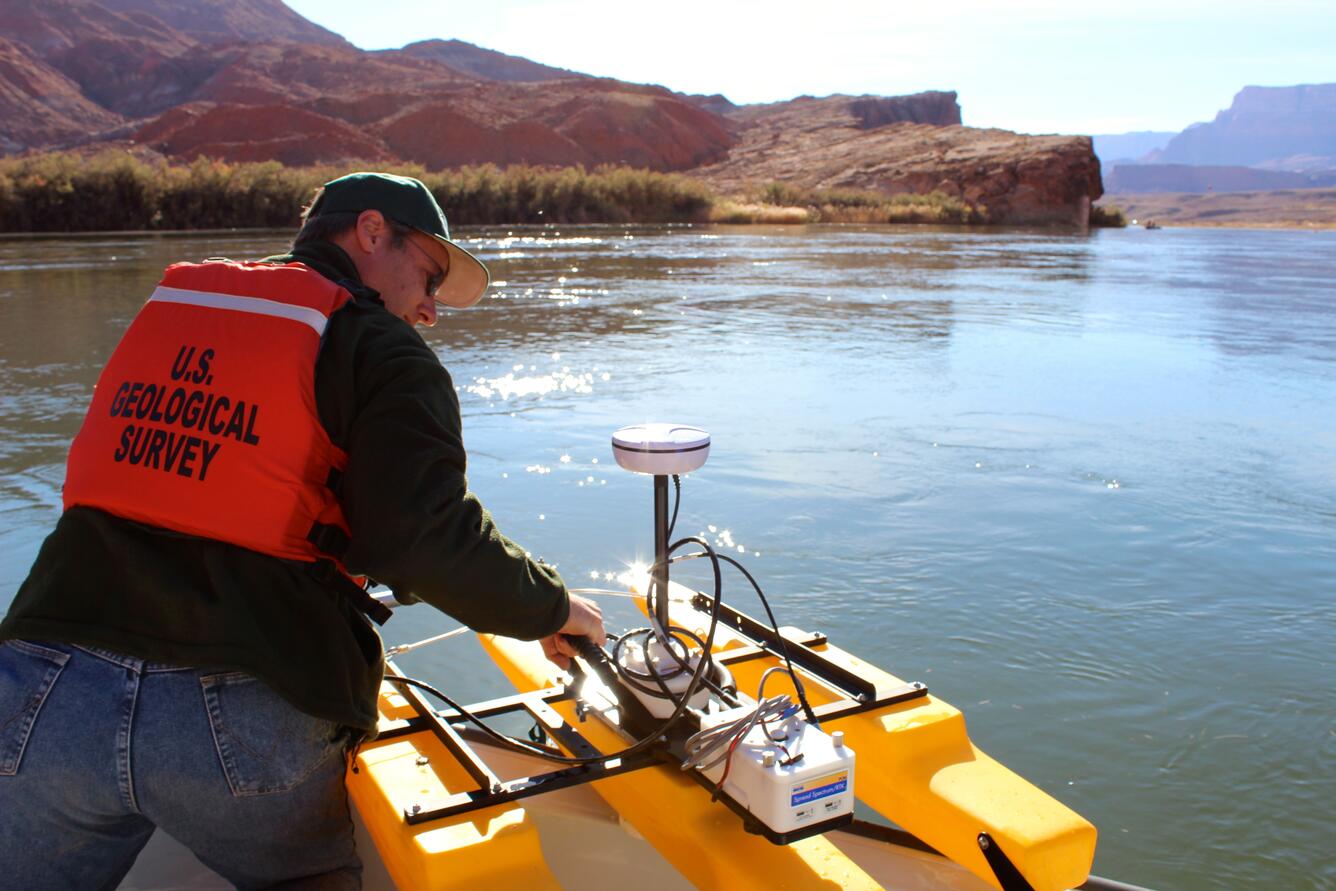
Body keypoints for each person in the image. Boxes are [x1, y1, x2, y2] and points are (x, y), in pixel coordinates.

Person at [0, 172, 606, 888]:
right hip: (236, 707)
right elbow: (422, 537)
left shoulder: (181, 313)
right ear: (373, 232)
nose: (431, 309)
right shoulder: (382, 350)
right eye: (429, 275)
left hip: (43, 682)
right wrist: (552, 605)